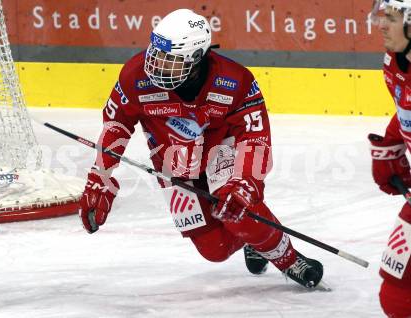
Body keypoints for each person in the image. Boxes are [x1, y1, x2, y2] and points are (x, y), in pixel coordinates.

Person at [79, 8, 323, 289]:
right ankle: (255, 239)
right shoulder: (135, 77)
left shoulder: (235, 81)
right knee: (215, 249)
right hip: (174, 163)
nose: (155, 66)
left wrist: (245, 184)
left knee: (236, 210)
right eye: (155, 54)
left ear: (196, 59)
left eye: (168, 60)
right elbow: (116, 126)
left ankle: (288, 258)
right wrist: (101, 177)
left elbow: (255, 138)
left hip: (223, 150)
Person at [368, 1, 411, 316]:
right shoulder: (393, 63)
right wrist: (392, 145)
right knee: (396, 296)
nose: (382, 25)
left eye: (392, 19)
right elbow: (404, 109)